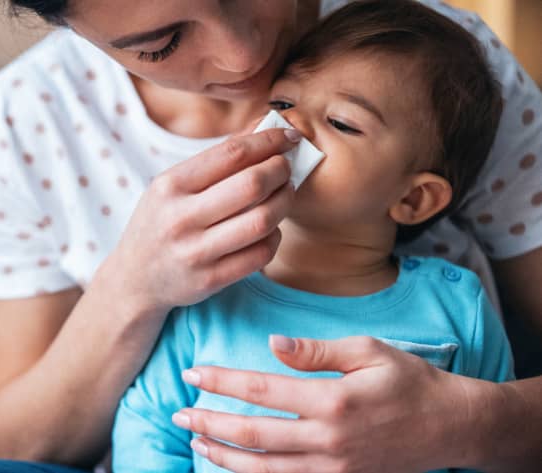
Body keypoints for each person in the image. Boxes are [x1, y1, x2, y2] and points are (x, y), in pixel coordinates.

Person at [0, 0, 542, 472]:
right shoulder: (29, 116)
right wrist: (135, 285)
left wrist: (467, 422)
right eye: (162, 43)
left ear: (417, 197)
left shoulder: (435, 66)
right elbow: (29, 444)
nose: (245, 57)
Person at [111, 2, 513, 471]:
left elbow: (494, 451)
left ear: (413, 198)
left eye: (341, 123)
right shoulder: (209, 296)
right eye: (282, 104)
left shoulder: (456, 308)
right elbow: (150, 427)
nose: (291, 127)